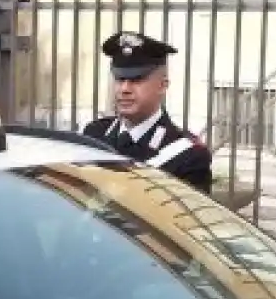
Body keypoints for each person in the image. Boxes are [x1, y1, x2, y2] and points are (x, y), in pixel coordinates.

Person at [81, 30, 216, 193]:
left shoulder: (187, 155)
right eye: (119, 79)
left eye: (136, 79)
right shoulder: (94, 134)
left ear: (162, 85)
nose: (125, 89)